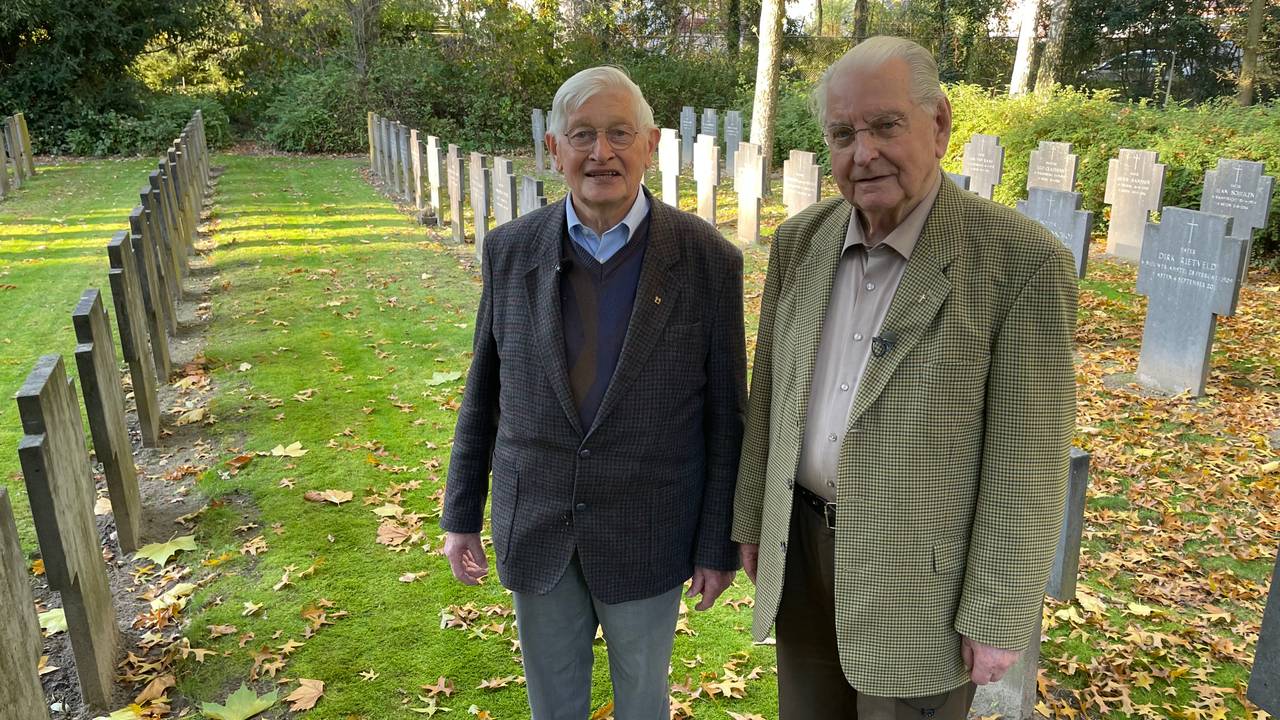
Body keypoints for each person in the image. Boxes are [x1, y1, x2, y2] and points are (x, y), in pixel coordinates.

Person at [731, 36, 1077, 718]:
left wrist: (1001, 610)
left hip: (922, 583)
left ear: (940, 124)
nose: (864, 154)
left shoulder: (1021, 262)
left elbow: (1028, 460)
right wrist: (750, 517)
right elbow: (770, 392)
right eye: (842, 134)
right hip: (801, 555)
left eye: (886, 125)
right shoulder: (801, 242)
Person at [441, 66, 746, 720]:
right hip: (539, 524)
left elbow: (727, 417)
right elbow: (483, 391)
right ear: (554, 149)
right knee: (553, 707)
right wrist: (460, 511)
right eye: (582, 135)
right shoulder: (508, 251)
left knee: (642, 701)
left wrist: (718, 544)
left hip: (649, 531)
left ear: (651, 145)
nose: (601, 153)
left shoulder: (707, 262)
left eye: (618, 133)